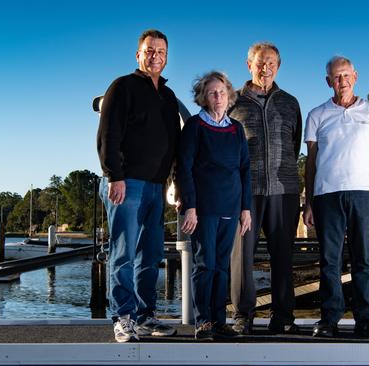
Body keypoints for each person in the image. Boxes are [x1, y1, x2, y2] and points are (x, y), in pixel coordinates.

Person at [96, 29, 180, 343]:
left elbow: (174, 143)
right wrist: (114, 176)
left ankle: (146, 317)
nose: (155, 56)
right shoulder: (122, 87)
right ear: (138, 55)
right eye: (149, 50)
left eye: (160, 51)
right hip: (125, 183)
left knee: (151, 255)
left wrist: (173, 183)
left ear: (166, 57)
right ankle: (123, 318)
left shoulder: (168, 97)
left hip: (157, 187)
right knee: (123, 253)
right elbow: (108, 136)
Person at [303, 56, 369, 338]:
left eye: (346, 76)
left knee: (362, 259)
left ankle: (365, 319)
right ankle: (329, 319)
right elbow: (311, 162)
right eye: (336, 77)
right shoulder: (317, 114)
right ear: (328, 81)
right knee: (330, 260)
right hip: (326, 195)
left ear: (355, 76)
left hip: (364, 194)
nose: (341, 81)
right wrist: (308, 202)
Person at [228, 42, 303, 335]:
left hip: (284, 191)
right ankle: (242, 316)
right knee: (242, 256)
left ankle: (282, 317)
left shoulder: (290, 102)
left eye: (271, 63)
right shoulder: (233, 101)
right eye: (260, 63)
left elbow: (294, 146)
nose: (265, 68)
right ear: (249, 65)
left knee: (283, 256)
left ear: (278, 66)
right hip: (244, 192)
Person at [177, 71, 252, 341]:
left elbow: (245, 170)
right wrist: (190, 206)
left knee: (221, 266)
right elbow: (184, 168)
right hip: (203, 208)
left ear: (229, 95)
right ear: (204, 97)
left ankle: (220, 321)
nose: (218, 96)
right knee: (204, 264)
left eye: (222, 91)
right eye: (212, 92)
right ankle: (203, 322)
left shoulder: (236, 129)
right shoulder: (195, 126)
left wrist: (246, 209)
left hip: (231, 207)